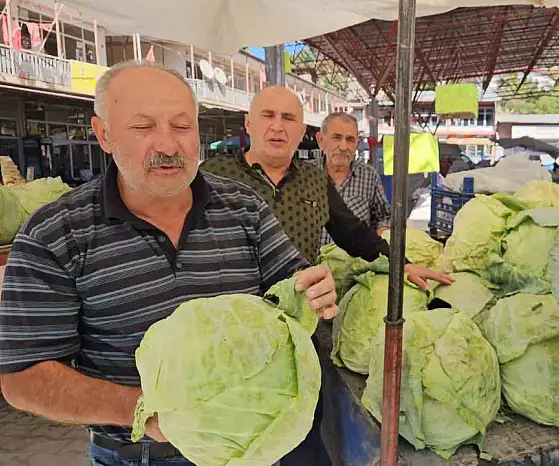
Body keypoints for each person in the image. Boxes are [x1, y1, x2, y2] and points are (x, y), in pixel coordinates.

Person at [0, 62, 337, 466]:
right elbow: (23, 377)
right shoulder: (55, 234)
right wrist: (146, 410)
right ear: (104, 134)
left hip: (250, 450)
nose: (168, 144)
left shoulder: (245, 209)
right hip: (136, 456)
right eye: (143, 127)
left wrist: (314, 289)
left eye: (182, 126)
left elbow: (292, 289)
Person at [200, 86, 451, 290]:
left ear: (300, 131)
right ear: (248, 123)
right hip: (232, 317)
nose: (277, 126)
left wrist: (401, 266)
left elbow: (355, 234)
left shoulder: (314, 179)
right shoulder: (212, 175)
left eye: (288, 118)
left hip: (297, 313)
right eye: (268, 115)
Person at [313, 112, 391, 240]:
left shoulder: (369, 176)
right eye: (336, 138)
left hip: (354, 259)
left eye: (350, 140)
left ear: (357, 143)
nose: (343, 147)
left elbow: (384, 216)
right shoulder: (304, 175)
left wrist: (382, 232)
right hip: (310, 259)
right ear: (321, 140)